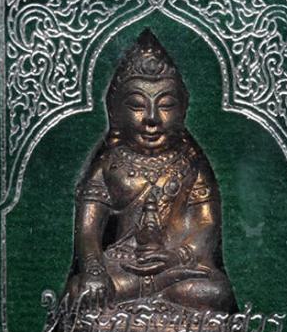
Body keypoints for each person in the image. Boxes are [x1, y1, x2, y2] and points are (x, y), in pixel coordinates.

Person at [63, 28, 237, 314]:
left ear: (182, 110)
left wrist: (175, 257)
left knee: (215, 291)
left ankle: (144, 308)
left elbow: (205, 226)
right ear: (115, 111)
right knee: (79, 293)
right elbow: (87, 230)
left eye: (166, 105)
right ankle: (152, 307)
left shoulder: (190, 164)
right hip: (121, 267)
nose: (152, 118)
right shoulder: (109, 163)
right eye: (137, 105)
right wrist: (94, 271)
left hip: (175, 268)